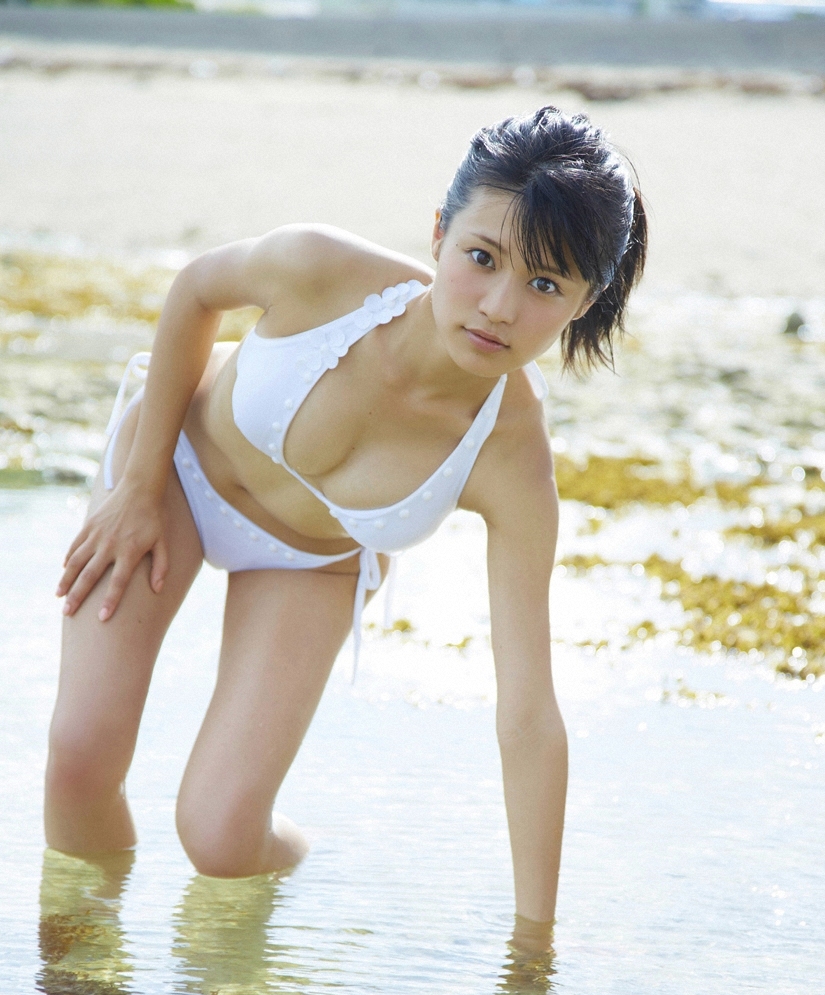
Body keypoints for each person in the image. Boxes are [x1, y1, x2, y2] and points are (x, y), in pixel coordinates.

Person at [44, 105, 647, 928]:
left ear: (584, 301)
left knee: (220, 837)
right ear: (438, 232)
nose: (499, 306)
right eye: (481, 258)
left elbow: (529, 712)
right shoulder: (322, 270)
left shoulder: (511, 456)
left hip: (310, 559)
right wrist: (139, 486)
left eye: (545, 285)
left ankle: (307, 865)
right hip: (173, 472)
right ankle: (85, 969)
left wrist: (533, 945)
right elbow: (196, 290)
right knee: (80, 759)